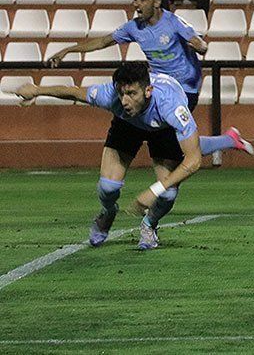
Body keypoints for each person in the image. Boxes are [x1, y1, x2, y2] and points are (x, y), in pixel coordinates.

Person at [47, 0, 254, 159]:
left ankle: (225, 141)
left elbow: (199, 42)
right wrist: (69, 50)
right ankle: (228, 140)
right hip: (157, 87)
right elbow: (102, 42)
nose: (136, 4)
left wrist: (201, 46)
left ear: (156, 2)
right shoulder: (134, 27)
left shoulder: (173, 22)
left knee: (174, 143)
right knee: (172, 142)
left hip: (184, 90)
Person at [9, 63, 205, 250]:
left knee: (167, 193)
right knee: (107, 188)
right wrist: (36, 90)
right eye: (121, 93)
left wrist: (154, 190)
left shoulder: (172, 106)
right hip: (127, 125)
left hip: (163, 129)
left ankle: (149, 224)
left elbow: (194, 160)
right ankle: (108, 212)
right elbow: (74, 92)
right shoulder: (109, 95)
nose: (124, 101)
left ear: (148, 91)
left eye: (131, 94)